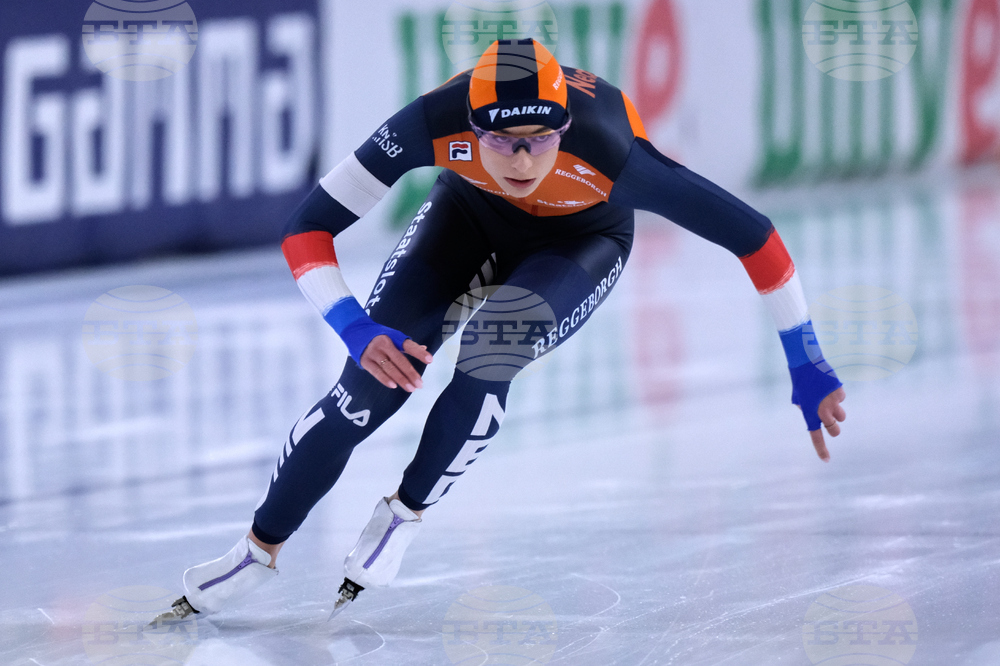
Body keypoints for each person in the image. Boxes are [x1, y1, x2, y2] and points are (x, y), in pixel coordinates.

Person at [152, 38, 847, 624]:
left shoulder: (613, 153)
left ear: (565, 129)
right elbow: (307, 229)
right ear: (470, 126)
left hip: (582, 241)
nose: (521, 162)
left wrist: (807, 361)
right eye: (501, 143)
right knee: (365, 391)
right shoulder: (428, 121)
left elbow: (757, 240)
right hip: (466, 217)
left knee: (492, 351)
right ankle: (256, 549)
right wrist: (355, 327)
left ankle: (404, 511)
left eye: (540, 142)